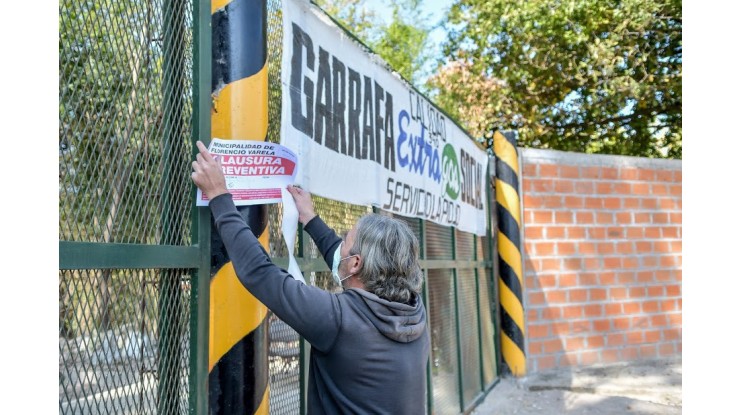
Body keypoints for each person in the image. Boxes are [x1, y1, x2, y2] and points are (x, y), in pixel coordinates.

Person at [190, 141, 431, 414]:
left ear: (355, 264)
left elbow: (260, 273)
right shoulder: (413, 311)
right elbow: (345, 261)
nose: (339, 244)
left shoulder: (338, 319)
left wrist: (219, 195)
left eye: (345, 241)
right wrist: (310, 218)